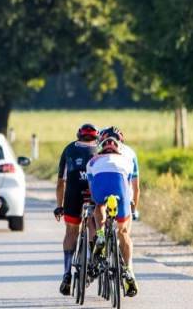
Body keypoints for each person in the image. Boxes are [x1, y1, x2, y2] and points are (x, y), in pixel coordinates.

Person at [87, 126, 140, 297]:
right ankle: (129, 270)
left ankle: (101, 234)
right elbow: (134, 186)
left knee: (98, 205)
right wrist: (134, 208)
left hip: (100, 186)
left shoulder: (93, 159)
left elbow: (91, 186)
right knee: (124, 232)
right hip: (122, 193)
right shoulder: (129, 157)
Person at [53, 123, 99, 295]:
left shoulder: (69, 149)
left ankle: (66, 273)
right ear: (96, 137)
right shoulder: (101, 149)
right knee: (95, 223)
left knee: (71, 232)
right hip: (94, 193)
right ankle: (94, 259)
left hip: (73, 195)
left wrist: (59, 206)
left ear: (78, 136)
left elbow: (60, 182)